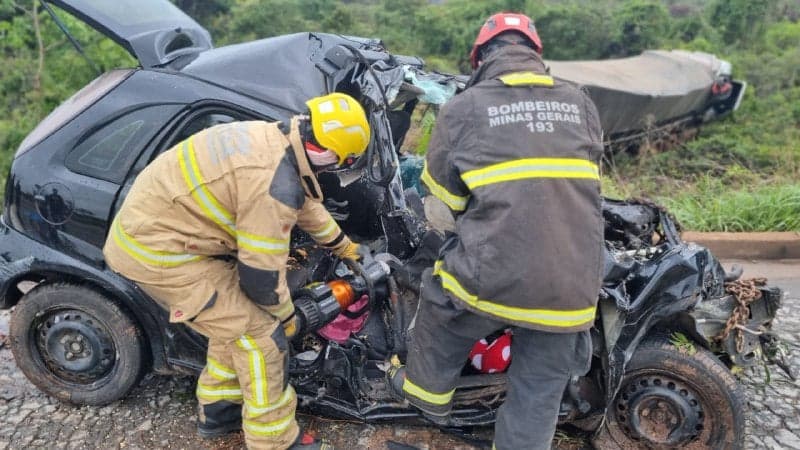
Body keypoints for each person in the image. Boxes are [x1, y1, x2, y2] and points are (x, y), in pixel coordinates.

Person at [103, 92, 370, 450]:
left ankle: (220, 413)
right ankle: (274, 439)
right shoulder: (272, 183)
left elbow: (305, 202)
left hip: (165, 236)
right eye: (341, 162)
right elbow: (260, 278)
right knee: (262, 336)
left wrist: (346, 248)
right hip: (159, 254)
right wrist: (289, 318)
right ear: (330, 153)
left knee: (231, 324)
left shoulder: (277, 139)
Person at [390, 12, 604, 450]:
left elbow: (441, 210)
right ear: (535, 54)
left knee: (440, 302)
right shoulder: (580, 102)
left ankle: (427, 400)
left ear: (480, 58)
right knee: (538, 394)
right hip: (573, 287)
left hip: (494, 278)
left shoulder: (463, 109)